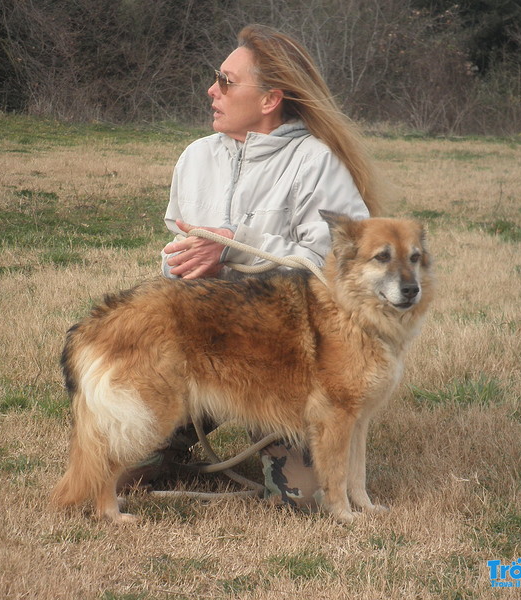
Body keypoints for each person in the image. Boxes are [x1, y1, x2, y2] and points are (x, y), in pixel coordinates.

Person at [144, 24, 385, 511]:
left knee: (303, 500)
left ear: (271, 98)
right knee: (128, 472)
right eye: (217, 79)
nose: (212, 90)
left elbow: (342, 273)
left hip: (285, 362)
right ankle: (166, 448)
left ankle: (268, 442)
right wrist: (188, 270)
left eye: (226, 81)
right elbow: (177, 257)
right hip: (202, 350)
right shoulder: (195, 158)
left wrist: (235, 247)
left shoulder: (316, 163)